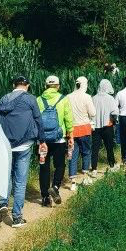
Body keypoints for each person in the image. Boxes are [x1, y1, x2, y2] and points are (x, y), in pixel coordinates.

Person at [0, 75, 46, 227]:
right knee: (20, 181)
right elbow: (38, 120)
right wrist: (42, 140)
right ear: (27, 85)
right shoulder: (30, 99)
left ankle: (3, 203)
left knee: (6, 176)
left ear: (13, 85)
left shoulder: (3, 99)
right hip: (24, 144)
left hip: (6, 144)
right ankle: (17, 217)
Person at [37, 76, 74, 207]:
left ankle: (45, 197)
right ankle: (55, 187)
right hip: (59, 139)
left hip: (43, 141)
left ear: (45, 86)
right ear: (58, 86)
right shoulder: (63, 99)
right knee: (60, 165)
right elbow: (68, 118)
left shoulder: (38, 100)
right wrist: (71, 135)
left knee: (44, 167)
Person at [65, 76, 96, 189]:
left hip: (72, 130)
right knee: (86, 153)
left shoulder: (68, 97)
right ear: (84, 84)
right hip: (84, 129)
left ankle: (73, 183)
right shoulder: (87, 97)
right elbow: (93, 113)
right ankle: (85, 177)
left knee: (72, 155)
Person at [92, 79, 120, 172]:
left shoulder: (93, 98)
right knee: (109, 146)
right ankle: (112, 165)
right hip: (108, 125)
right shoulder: (110, 98)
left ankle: (94, 168)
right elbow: (115, 112)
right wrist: (114, 120)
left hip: (96, 126)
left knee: (95, 148)